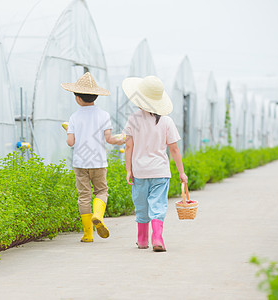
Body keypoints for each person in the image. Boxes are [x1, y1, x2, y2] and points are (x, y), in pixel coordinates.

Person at [122, 75, 188, 252]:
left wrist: (129, 169)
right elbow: (174, 149)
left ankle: (142, 240)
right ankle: (157, 238)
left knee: (141, 205)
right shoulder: (166, 121)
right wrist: (181, 172)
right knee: (158, 206)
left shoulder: (134, 119)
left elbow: (128, 146)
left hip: (140, 172)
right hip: (160, 172)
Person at [61, 72, 125, 243]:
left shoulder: (74, 117)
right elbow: (110, 139)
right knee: (101, 191)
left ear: (77, 98)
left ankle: (88, 235)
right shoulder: (103, 115)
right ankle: (98, 214)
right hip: (98, 162)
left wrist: (68, 129)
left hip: (81, 163)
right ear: (96, 96)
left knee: (83, 196)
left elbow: (70, 142)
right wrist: (123, 138)